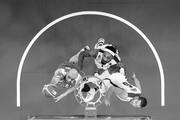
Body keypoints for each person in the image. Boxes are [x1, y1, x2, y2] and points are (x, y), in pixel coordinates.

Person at [69, 38, 147, 108]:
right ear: (137, 98)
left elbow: (138, 82)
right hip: (113, 76)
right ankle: (91, 89)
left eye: (136, 105)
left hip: (120, 74)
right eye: (136, 102)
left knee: (99, 69)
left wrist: (134, 77)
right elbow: (112, 87)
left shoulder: (139, 92)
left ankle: (100, 45)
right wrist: (107, 98)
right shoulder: (125, 96)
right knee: (100, 86)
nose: (134, 104)